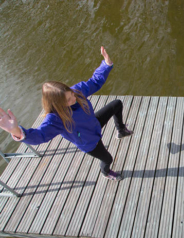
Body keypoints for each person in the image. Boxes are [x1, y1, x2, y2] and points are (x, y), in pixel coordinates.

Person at [0, 46, 132, 181]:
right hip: (89, 142)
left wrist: (106, 64)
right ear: (58, 104)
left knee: (116, 104)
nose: (74, 99)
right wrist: (16, 131)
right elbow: (40, 136)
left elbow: (94, 81)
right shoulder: (55, 119)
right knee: (107, 158)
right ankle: (106, 172)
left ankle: (121, 130)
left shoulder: (77, 92)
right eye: (69, 100)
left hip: (93, 123)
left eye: (71, 94)